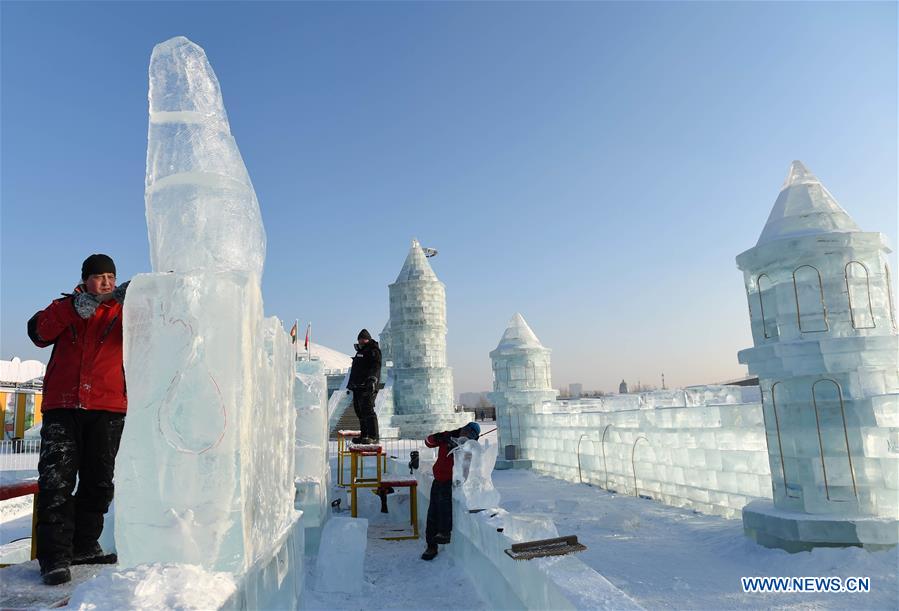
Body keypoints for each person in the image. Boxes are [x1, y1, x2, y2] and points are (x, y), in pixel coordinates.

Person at [27, 254, 129, 585]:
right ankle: (54, 557)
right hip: (63, 406)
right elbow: (38, 333)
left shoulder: (124, 310)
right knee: (56, 482)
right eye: (99, 277)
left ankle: (84, 546)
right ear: (85, 279)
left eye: (111, 277)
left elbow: (161, 327)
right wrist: (73, 307)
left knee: (99, 483)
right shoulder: (65, 308)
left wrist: (144, 300)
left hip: (108, 406)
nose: (107, 283)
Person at [421, 421, 481, 561]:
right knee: (432, 514)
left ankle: (444, 533)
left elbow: (468, 469)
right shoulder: (447, 436)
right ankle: (431, 545)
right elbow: (428, 442)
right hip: (437, 480)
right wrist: (438, 437)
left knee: (444, 510)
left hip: (450, 483)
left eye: (471, 434)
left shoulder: (469, 447)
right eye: (466, 430)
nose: (466, 434)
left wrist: (462, 448)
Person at [347, 329, 381, 444]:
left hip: (367, 386)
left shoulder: (373, 350)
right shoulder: (360, 351)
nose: (361, 341)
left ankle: (373, 436)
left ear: (368, 339)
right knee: (359, 411)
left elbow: (376, 366)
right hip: (357, 386)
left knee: (368, 410)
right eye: (360, 339)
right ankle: (364, 435)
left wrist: (373, 379)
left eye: (363, 339)